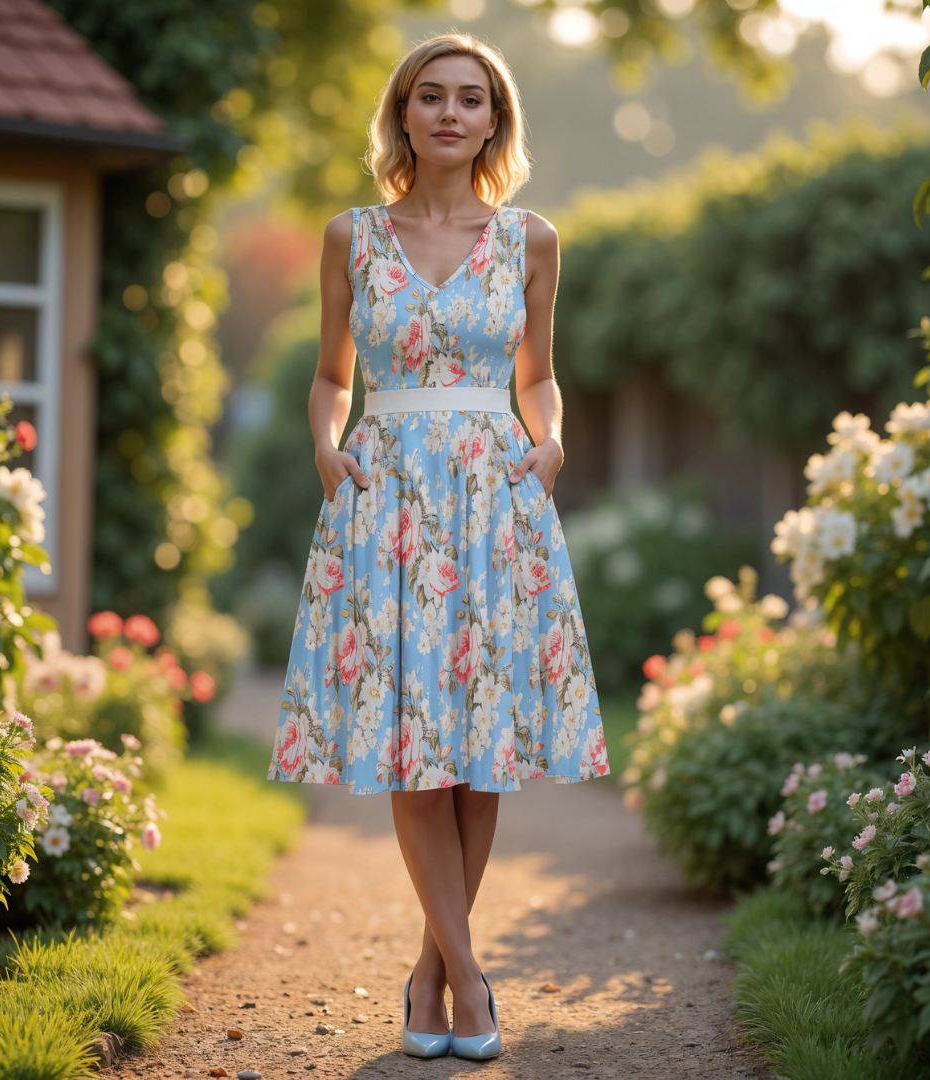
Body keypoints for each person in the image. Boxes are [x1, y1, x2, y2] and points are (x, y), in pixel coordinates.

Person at [267, 31, 609, 1061]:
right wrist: (326, 450)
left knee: (479, 748)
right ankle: (469, 975)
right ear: (403, 115)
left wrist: (550, 445)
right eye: (431, 96)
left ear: (495, 121)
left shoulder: (532, 240)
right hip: (387, 498)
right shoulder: (350, 236)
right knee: (412, 735)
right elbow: (332, 375)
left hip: (496, 497)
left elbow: (539, 374)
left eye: (471, 99)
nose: (451, 113)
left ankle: (429, 971)